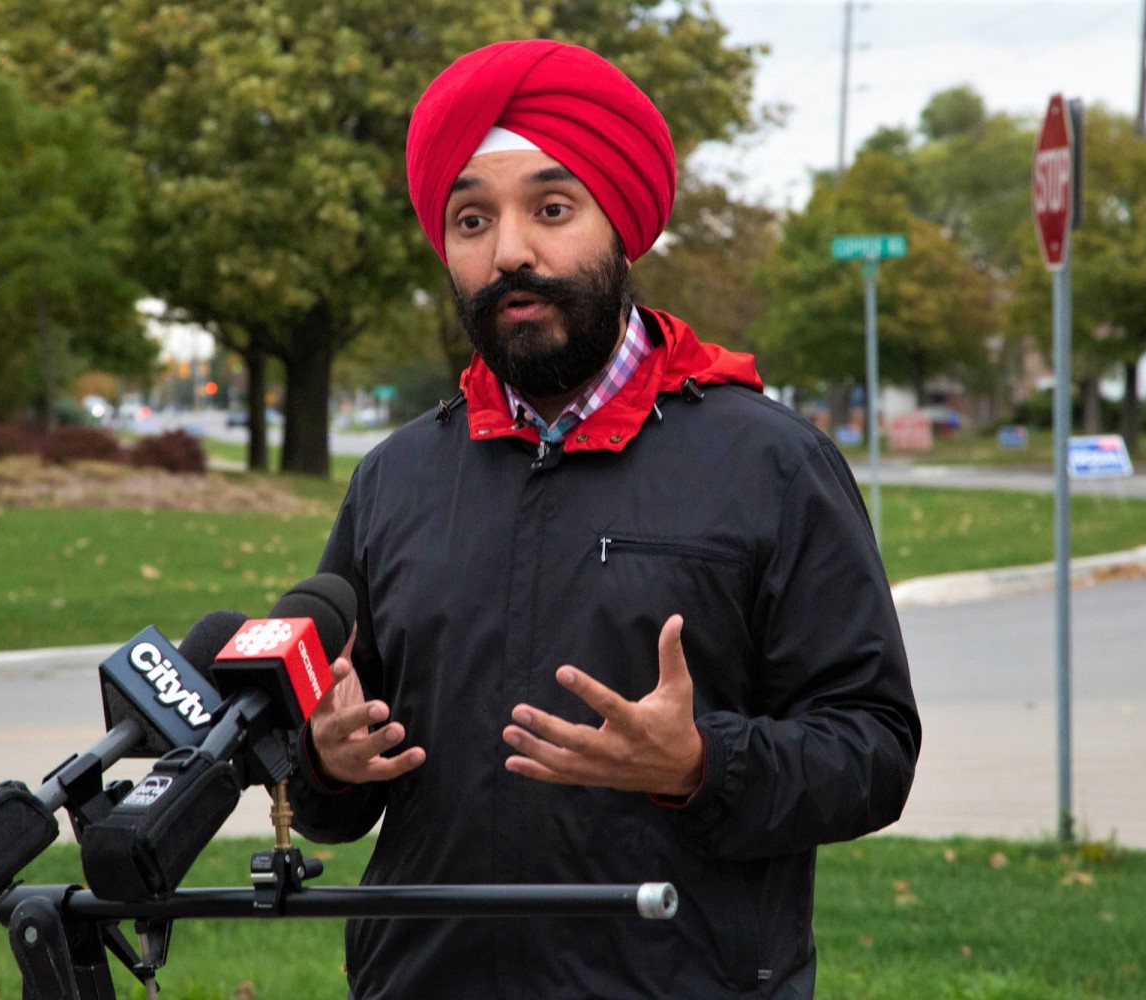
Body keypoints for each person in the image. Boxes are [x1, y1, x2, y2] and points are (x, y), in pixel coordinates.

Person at [287, 38, 920, 1000]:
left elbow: (872, 748)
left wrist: (702, 764)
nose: (509, 253)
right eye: (470, 219)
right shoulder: (395, 479)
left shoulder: (772, 464)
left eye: (551, 208)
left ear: (620, 222)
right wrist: (329, 765)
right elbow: (339, 780)